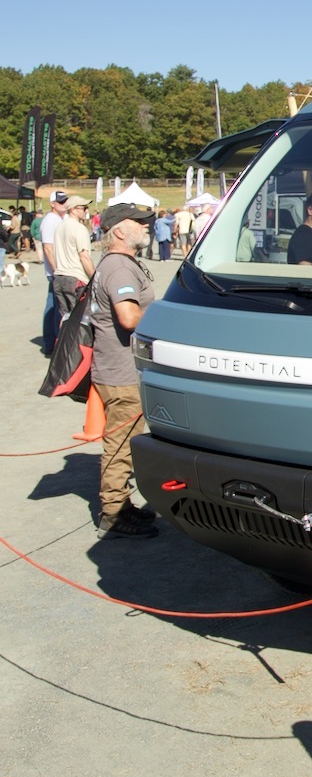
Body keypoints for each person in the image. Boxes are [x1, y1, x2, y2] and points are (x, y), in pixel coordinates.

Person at [90, 203, 158, 538]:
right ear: (119, 230)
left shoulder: (118, 263)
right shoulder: (119, 268)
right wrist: (166, 316)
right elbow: (129, 318)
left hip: (116, 369)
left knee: (124, 443)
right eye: (140, 223)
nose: (147, 226)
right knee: (120, 445)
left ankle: (121, 505)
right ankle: (113, 515)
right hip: (121, 374)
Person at [51, 195, 95, 319]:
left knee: (65, 318)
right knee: (81, 319)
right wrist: (94, 278)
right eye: (84, 208)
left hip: (60, 277)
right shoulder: (79, 229)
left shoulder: (59, 227)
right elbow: (84, 256)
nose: (86, 211)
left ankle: (64, 339)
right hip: (76, 278)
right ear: (73, 209)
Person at [38, 189, 69, 356]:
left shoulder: (57, 219)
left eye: (64, 201)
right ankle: (53, 342)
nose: (63, 205)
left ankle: (50, 342)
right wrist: (57, 270)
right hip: (56, 270)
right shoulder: (51, 221)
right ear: (52, 204)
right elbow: (48, 248)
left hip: (56, 270)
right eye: (60, 202)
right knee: (56, 307)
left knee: (53, 306)